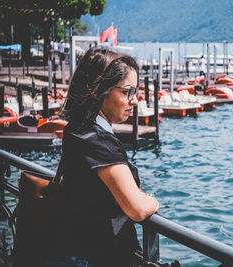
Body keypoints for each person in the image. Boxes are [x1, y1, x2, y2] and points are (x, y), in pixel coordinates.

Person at [46, 48, 160, 267]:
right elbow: (136, 209)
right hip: (92, 257)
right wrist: (153, 201)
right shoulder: (100, 143)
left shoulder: (76, 129)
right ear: (99, 90)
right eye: (128, 91)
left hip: (66, 250)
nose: (134, 100)